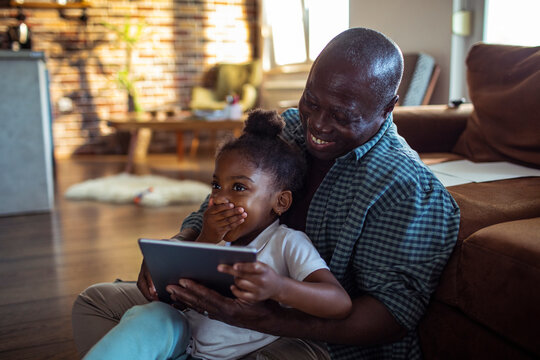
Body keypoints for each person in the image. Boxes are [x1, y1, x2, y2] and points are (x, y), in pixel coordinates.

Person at [73, 27, 460, 359]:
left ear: (389, 108)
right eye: (312, 101)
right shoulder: (289, 127)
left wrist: (268, 317)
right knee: (94, 303)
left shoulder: (406, 189)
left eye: (342, 115)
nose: (318, 125)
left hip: (310, 341)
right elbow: (219, 200)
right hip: (213, 317)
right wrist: (176, 251)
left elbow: (390, 317)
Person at [79, 109, 352, 360]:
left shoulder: (287, 243)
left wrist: (279, 287)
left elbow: (338, 303)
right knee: (150, 315)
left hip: (242, 353)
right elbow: (176, 294)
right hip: (183, 343)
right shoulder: (214, 238)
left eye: (239, 188)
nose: (220, 198)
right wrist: (205, 239)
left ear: (280, 202)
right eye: (216, 185)